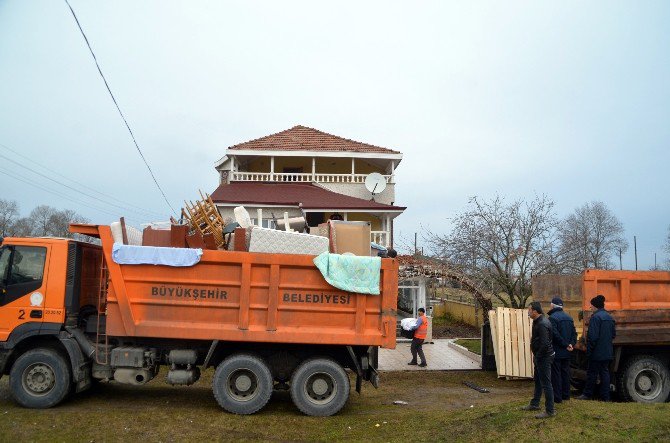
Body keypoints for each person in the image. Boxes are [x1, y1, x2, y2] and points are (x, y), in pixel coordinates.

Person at [577, 294, 616, 401]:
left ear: (595, 306)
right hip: (607, 352)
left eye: (591, 306)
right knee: (605, 373)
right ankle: (605, 397)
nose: (591, 308)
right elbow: (613, 335)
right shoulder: (609, 317)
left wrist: (589, 351)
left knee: (592, 374)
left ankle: (587, 394)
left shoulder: (595, 318)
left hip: (596, 353)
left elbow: (592, 337)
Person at [521, 301, 555, 418]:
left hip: (544, 357)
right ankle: (535, 403)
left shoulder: (542, 324)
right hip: (540, 356)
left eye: (529, 310)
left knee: (546, 384)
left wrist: (538, 357)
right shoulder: (537, 321)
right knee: (538, 381)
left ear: (535, 311)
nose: (528, 312)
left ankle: (550, 411)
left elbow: (545, 344)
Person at [548, 297, 577, 403]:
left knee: (556, 374)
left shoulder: (552, 318)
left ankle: (557, 397)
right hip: (567, 351)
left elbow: (555, 335)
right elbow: (574, 334)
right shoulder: (569, 318)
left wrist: (565, 345)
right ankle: (566, 395)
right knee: (565, 373)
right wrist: (571, 344)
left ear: (552, 306)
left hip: (557, 351)